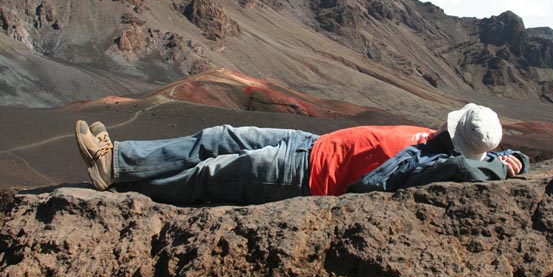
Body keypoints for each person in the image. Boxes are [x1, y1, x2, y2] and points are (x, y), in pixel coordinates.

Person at [74, 103, 529, 205]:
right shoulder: (443, 142)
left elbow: (467, 168)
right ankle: (116, 160)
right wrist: (518, 161)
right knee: (218, 134)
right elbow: (506, 154)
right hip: (308, 142)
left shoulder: (439, 162)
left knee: (210, 175)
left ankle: (124, 192)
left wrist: (493, 169)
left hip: (302, 174)